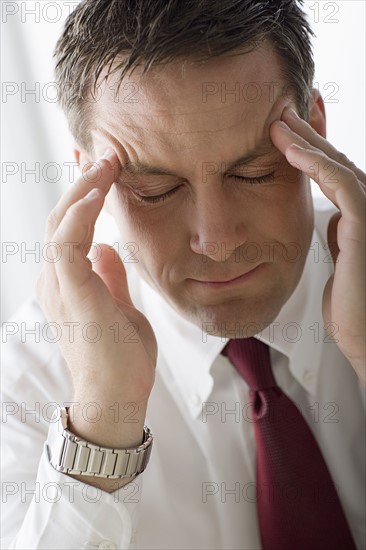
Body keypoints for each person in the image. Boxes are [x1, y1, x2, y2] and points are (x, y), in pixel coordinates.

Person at [1, 0, 365, 548]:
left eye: (254, 172)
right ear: (87, 182)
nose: (216, 240)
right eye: (157, 191)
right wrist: (102, 424)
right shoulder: (30, 382)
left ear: (316, 131)